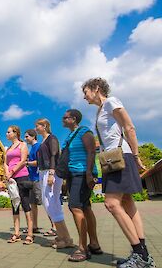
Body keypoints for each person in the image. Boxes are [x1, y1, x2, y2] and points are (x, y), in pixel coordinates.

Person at [82, 77, 155, 267]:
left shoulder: (111, 102)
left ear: (96, 88)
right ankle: (143, 254)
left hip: (121, 156)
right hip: (111, 159)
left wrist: (137, 156)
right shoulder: (100, 111)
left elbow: (129, 127)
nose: (84, 97)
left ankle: (140, 255)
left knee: (111, 204)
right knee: (127, 202)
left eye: (86, 92)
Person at [62, 109, 102, 262]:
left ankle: (82, 248)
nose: (63, 120)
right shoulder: (70, 135)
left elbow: (91, 152)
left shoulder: (84, 132)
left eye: (65, 118)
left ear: (73, 119)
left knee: (75, 207)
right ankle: (94, 244)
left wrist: (89, 174)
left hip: (83, 173)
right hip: (73, 174)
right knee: (85, 207)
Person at [35, 118, 74, 249]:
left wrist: (51, 173)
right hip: (43, 172)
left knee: (52, 203)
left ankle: (66, 238)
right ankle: (62, 236)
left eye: (38, 126)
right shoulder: (43, 141)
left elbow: (54, 155)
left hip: (50, 172)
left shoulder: (52, 138)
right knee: (48, 204)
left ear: (44, 126)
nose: (36, 128)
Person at [5, 125, 34, 245]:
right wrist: (7, 173)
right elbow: (5, 163)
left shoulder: (23, 145)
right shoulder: (8, 149)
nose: (7, 134)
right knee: (14, 204)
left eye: (9, 132)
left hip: (21, 176)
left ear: (16, 133)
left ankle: (30, 234)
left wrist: (12, 171)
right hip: (11, 179)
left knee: (25, 203)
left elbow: (23, 161)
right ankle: (16, 233)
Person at [24, 129, 42, 234]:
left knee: (44, 203)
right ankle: (34, 226)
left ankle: (54, 226)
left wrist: (26, 163)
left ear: (33, 136)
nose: (25, 139)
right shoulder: (31, 148)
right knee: (33, 204)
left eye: (27, 137)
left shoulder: (38, 147)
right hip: (31, 179)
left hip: (37, 178)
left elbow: (39, 162)